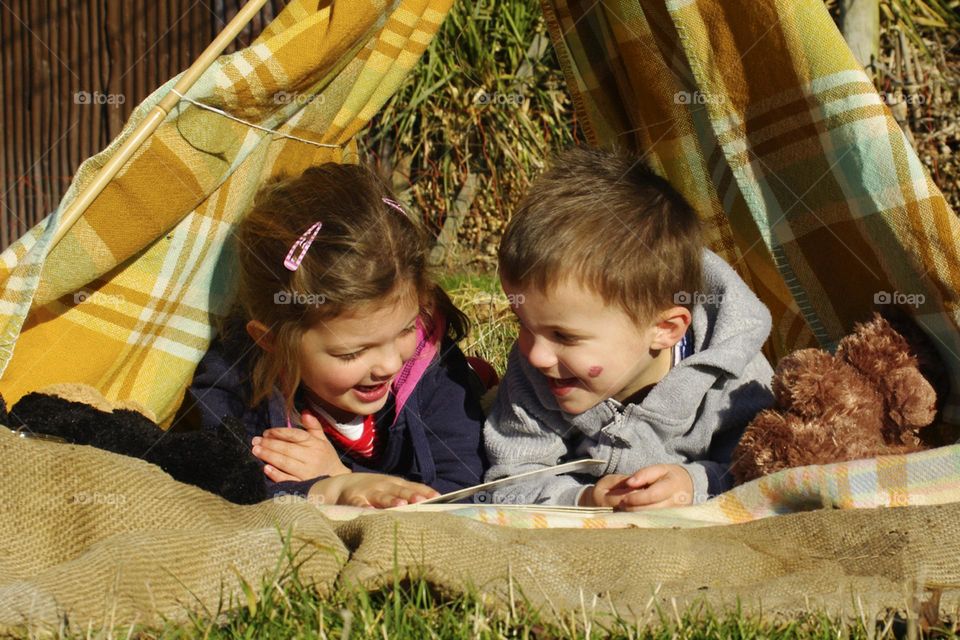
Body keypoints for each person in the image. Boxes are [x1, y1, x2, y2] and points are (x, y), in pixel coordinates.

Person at [483, 146, 774, 509]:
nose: (536, 354)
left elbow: (765, 469)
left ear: (666, 329)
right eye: (523, 324)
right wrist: (582, 498)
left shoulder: (731, 374)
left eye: (563, 336)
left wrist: (693, 485)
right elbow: (510, 480)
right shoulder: (536, 376)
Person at [182, 163, 487, 508]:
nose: (388, 364)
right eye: (351, 353)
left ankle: (480, 376)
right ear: (271, 340)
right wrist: (326, 490)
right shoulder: (237, 382)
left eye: (405, 329)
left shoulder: (432, 365)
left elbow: (465, 486)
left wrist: (341, 476)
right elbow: (224, 485)